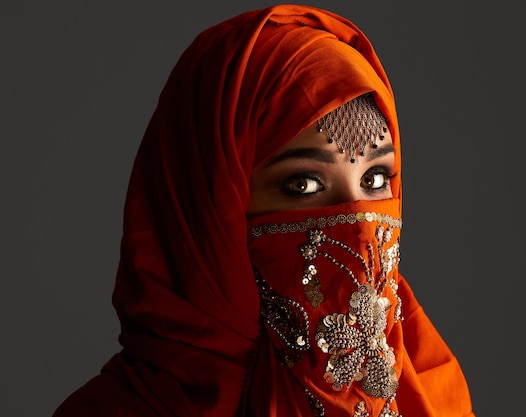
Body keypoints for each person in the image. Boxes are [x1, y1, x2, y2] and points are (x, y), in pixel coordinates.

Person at [53, 4, 475, 417]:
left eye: (375, 180)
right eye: (303, 184)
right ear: (211, 207)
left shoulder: (431, 395)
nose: (361, 225)